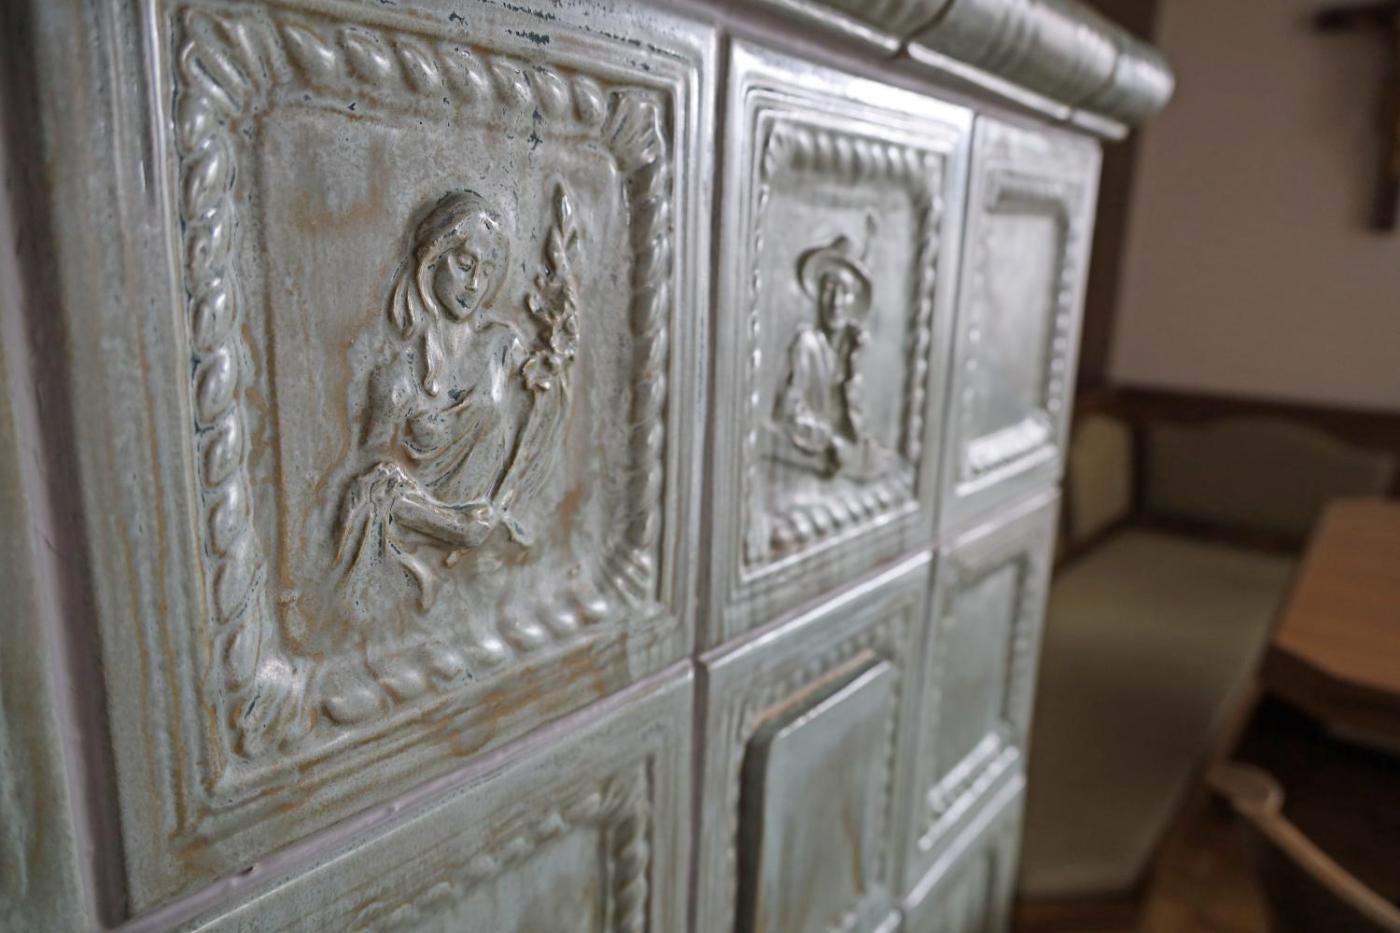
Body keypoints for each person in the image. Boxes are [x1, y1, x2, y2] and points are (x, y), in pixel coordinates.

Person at [333, 188, 572, 624]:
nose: (475, 284)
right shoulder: (398, 379)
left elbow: (545, 407)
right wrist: (452, 526)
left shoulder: (503, 347)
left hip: (498, 567)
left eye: (487, 270)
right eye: (464, 263)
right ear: (433, 259)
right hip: (422, 574)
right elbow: (373, 490)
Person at [774, 234, 892, 481]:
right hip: (811, 464)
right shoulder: (807, 344)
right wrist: (830, 440)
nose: (836, 301)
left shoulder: (851, 350)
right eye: (829, 289)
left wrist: (854, 364)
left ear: (854, 300)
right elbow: (787, 415)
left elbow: (859, 422)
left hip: (846, 464)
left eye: (845, 291)